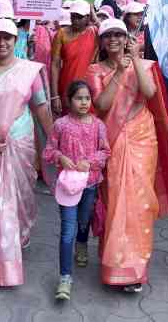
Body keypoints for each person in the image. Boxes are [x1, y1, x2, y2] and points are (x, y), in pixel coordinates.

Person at [86, 18, 168, 293]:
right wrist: (118, 72)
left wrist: (136, 60)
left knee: (138, 204)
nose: (113, 40)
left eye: (119, 35)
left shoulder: (146, 65)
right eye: (108, 36)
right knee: (115, 201)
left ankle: (136, 269)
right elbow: (102, 105)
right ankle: (114, 266)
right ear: (102, 42)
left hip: (142, 137)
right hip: (112, 139)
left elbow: (150, 92)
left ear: (127, 38)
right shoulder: (94, 70)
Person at [0, 18, 54, 290]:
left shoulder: (29, 71)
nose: (2, 42)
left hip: (20, 146)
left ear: (17, 40)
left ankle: (13, 240)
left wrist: (55, 143)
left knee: (19, 199)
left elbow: (41, 109)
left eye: (8, 38)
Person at [43, 80, 110, 301]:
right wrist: (60, 157)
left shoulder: (98, 125)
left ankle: (82, 244)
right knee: (67, 230)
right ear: (69, 101)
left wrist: (90, 162)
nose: (83, 102)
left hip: (89, 183)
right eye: (78, 98)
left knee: (84, 220)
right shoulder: (61, 125)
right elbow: (49, 150)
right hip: (67, 187)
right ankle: (64, 278)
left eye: (87, 98)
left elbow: (105, 151)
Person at [51, 0, 98, 116]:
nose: (75, 20)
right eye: (73, 16)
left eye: (80, 17)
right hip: (67, 84)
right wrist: (54, 95)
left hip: (89, 85)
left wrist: (95, 17)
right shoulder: (61, 34)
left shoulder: (94, 32)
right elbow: (55, 65)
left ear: (88, 18)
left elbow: (110, 31)